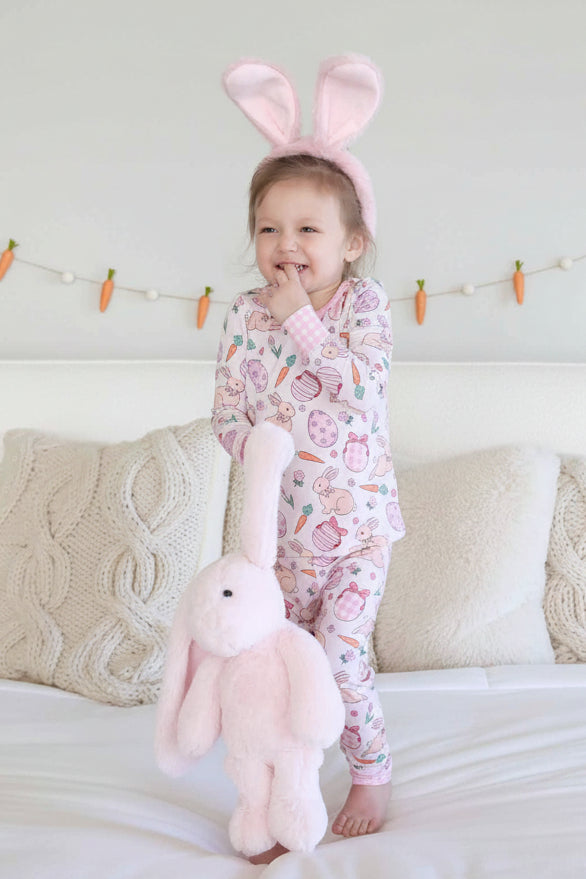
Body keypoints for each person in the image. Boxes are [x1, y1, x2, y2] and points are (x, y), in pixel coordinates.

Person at [212, 57, 405, 863]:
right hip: (281, 540)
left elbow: (362, 392)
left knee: (339, 653)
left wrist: (302, 322)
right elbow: (228, 414)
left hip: (358, 532)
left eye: (307, 229)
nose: (285, 247)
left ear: (352, 242)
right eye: (268, 228)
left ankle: (370, 768)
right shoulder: (243, 315)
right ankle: (277, 797)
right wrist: (253, 443)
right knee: (276, 670)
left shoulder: (364, 306)